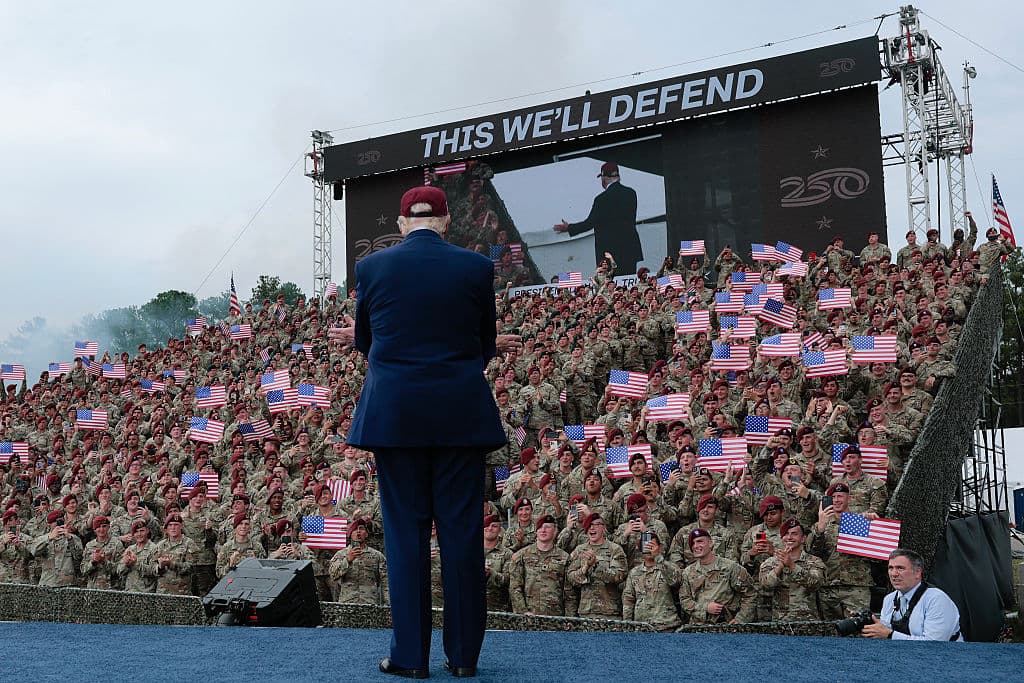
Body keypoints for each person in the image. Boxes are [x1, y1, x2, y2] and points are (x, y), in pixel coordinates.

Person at [345, 185, 521, 679]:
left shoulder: (372, 268)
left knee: (406, 538)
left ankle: (410, 658)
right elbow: (485, 344)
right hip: (460, 415)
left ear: (403, 224)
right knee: (462, 536)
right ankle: (464, 658)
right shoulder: (475, 268)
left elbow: (364, 341)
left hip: (395, 416)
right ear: (445, 221)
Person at [553, 162, 643, 274]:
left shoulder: (601, 199)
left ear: (604, 178)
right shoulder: (631, 193)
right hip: (630, 248)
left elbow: (590, 223)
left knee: (611, 286)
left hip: (609, 251)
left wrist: (569, 228)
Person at [862, 548, 964, 641]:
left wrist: (890, 635)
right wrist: (869, 626)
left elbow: (934, 645)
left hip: (945, 658)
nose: (893, 574)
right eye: (891, 568)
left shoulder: (937, 599)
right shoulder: (889, 599)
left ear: (917, 572)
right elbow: (884, 631)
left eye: (900, 568)